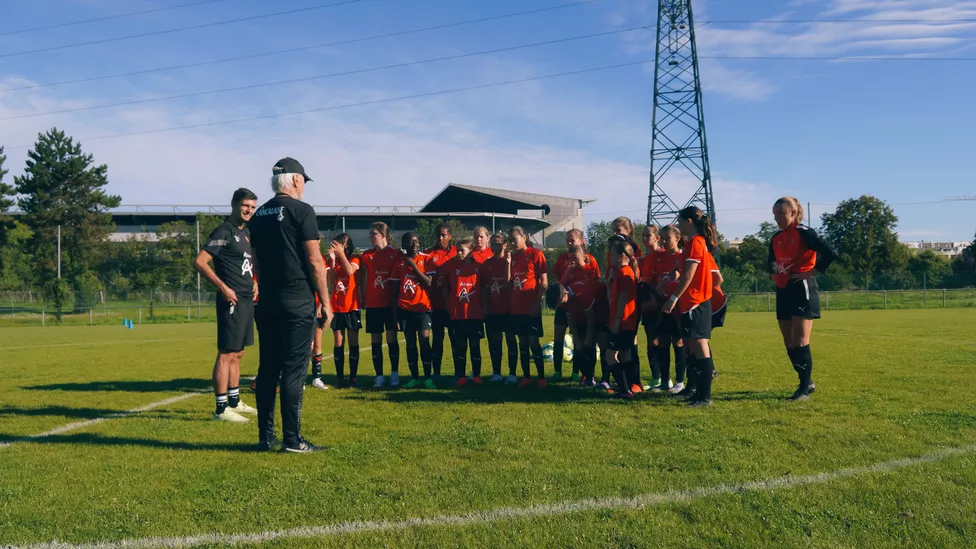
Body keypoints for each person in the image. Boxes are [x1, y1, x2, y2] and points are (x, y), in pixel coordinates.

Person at [249, 157, 331, 453]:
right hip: (296, 300)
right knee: (294, 371)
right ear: (295, 180)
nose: (304, 187)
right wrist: (325, 300)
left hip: (268, 300)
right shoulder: (302, 210)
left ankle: (265, 437)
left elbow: (256, 260)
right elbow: (313, 259)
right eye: (303, 182)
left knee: (268, 368)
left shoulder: (259, 214)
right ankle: (293, 440)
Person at [193, 188, 260, 423]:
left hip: (246, 299)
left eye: (252, 207)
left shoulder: (247, 233)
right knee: (227, 352)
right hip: (230, 300)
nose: (249, 210)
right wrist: (223, 287)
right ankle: (221, 408)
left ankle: (234, 401)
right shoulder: (224, 230)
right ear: (234, 205)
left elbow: (245, 264)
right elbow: (200, 261)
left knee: (239, 352)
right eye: (245, 206)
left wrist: (255, 283)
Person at [769, 196, 837, 401]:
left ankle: (803, 390)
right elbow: (770, 260)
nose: (777, 218)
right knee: (788, 341)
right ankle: (806, 381)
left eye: (781, 214)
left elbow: (830, 252)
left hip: (802, 288)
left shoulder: (805, 233)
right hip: (783, 289)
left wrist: (812, 272)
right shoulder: (776, 237)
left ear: (793, 213)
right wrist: (774, 274)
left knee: (800, 340)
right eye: (775, 214)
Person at [662, 206, 719, 407]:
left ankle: (705, 396)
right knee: (692, 348)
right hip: (691, 303)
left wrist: (673, 298)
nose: (677, 224)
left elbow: (689, 274)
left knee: (700, 346)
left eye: (679, 221)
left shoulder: (696, 242)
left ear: (688, 221)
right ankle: (697, 393)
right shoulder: (693, 243)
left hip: (696, 301)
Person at [359, 222, 403, 388]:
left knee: (392, 339)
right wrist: (363, 296)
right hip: (373, 304)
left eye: (374, 234)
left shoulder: (396, 254)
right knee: (375, 340)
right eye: (370, 234)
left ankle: (394, 373)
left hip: (389, 305)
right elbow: (363, 277)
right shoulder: (367, 256)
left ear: (384, 235)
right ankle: (379, 375)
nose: (371, 237)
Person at [552, 229, 599, 381]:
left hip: (581, 306)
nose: (569, 243)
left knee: (579, 338)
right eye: (567, 240)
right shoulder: (562, 259)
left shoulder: (590, 260)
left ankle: (576, 373)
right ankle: (557, 372)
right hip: (564, 304)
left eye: (572, 240)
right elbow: (560, 284)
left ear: (581, 241)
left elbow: (594, 283)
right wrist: (567, 272)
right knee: (558, 337)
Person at [442, 238, 489, 387]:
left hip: (474, 314)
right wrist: (449, 305)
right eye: (457, 250)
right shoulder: (451, 266)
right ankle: (461, 375)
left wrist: (484, 307)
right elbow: (445, 288)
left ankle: (476, 375)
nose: (459, 253)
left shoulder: (479, 267)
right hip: (457, 314)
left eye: (462, 250)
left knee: (475, 345)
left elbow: (482, 289)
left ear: (470, 252)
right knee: (460, 346)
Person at [390, 232, 434, 388]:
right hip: (405, 309)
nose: (415, 244)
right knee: (410, 343)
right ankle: (414, 376)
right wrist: (395, 317)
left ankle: (428, 377)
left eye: (416, 241)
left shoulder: (426, 259)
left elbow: (429, 282)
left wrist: (414, 266)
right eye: (411, 242)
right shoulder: (398, 264)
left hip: (423, 308)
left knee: (424, 341)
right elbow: (394, 292)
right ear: (404, 245)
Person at [508, 227, 548, 388]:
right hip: (516, 307)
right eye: (509, 240)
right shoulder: (512, 257)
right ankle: (526, 376)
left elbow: (544, 281)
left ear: (524, 237)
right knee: (522, 342)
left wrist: (537, 302)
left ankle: (542, 377)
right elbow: (509, 282)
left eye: (514, 239)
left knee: (533, 342)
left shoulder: (535, 254)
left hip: (531, 308)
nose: (511, 242)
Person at [651, 225, 687, 394]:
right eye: (662, 238)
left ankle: (680, 381)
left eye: (668, 238)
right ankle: (665, 381)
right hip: (661, 305)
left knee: (678, 341)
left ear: (677, 239)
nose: (664, 241)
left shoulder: (683, 257)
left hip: (677, 307)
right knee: (662, 341)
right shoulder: (658, 257)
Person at [325, 233, 362, 388]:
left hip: (352, 306)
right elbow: (331, 281)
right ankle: (339, 377)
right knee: (338, 343)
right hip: (337, 307)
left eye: (342, 243)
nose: (339, 245)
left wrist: (341, 255)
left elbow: (349, 272)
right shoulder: (334, 260)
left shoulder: (354, 258)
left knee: (353, 342)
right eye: (338, 242)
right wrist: (333, 261)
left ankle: (353, 377)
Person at [606, 241, 640, 399]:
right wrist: (608, 284)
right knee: (625, 355)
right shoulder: (620, 272)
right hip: (625, 321)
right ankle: (626, 387)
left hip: (623, 321)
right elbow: (612, 298)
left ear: (621, 256)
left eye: (612, 254)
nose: (609, 257)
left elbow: (624, 297)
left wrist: (617, 319)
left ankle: (625, 390)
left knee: (610, 355)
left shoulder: (625, 272)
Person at [424, 223, 457, 384]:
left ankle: (459, 373)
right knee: (437, 340)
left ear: (450, 236)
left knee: (455, 339)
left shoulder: (457, 252)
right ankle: (436, 372)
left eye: (444, 235)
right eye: (438, 235)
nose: (440, 238)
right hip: (435, 305)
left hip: (452, 306)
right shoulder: (429, 254)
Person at [483, 232, 516, 384]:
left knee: (510, 341)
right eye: (492, 243)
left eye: (497, 243)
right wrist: (485, 307)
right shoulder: (487, 264)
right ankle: (496, 373)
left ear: (505, 245)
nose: (494, 246)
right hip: (492, 310)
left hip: (508, 309)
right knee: (494, 343)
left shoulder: (510, 262)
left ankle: (513, 373)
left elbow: (510, 285)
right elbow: (484, 288)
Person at [639, 225, 663, 389]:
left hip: (662, 305)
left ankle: (666, 377)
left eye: (648, 235)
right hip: (648, 306)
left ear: (657, 238)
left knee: (662, 341)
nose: (645, 238)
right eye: (643, 235)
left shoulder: (662, 255)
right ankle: (656, 377)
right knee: (650, 341)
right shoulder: (645, 258)